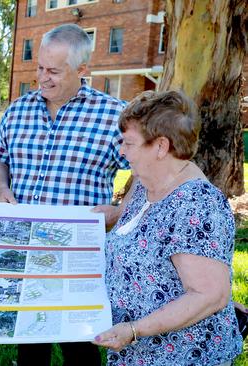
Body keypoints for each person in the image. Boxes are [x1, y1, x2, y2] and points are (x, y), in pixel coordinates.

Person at [0, 23, 129, 365]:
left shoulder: (114, 115)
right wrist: (2, 188)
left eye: (53, 71)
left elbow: (147, 168)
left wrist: (121, 208)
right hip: (23, 250)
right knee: (30, 342)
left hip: (78, 255)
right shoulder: (19, 110)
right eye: (39, 68)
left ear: (82, 70)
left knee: (80, 347)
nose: (42, 78)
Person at [92, 90, 243, 365]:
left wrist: (135, 330)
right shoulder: (144, 183)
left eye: (129, 143)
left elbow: (209, 295)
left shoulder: (197, 205)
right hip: (137, 353)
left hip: (183, 355)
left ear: (161, 147)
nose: (122, 151)